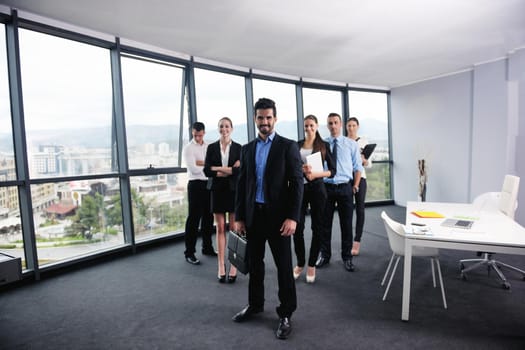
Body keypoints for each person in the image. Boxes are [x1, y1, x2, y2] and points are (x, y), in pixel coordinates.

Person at [232, 98, 303, 340]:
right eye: (260, 118)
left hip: (279, 219)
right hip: (254, 217)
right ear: (255, 119)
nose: (265, 122)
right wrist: (239, 216)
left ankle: (285, 313)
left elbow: (297, 185)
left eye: (269, 118)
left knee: (284, 267)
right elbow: (242, 186)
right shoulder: (247, 148)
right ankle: (255, 304)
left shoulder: (288, 146)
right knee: (255, 264)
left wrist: (293, 217)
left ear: (275, 118)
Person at [316, 113, 363, 272]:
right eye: (330, 123)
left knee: (346, 225)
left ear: (340, 124)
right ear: (327, 125)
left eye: (336, 122)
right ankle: (324, 255)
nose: (333, 126)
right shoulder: (321, 144)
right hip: (326, 188)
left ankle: (347, 257)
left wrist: (355, 186)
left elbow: (358, 168)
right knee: (325, 224)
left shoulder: (351, 144)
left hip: (345, 187)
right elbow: (317, 168)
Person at [293, 115, 336, 283]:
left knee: (318, 228)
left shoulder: (324, 145)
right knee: (298, 228)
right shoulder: (297, 145)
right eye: (306, 126)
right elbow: (292, 166)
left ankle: (311, 264)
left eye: (311, 125)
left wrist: (315, 174)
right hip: (300, 190)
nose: (308, 129)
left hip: (318, 190)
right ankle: (300, 262)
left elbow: (332, 170)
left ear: (317, 126)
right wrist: (301, 168)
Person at [204, 117, 241, 283]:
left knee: (233, 228)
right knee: (220, 228)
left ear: (231, 128)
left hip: (233, 191)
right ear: (218, 128)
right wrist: (228, 170)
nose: (224, 129)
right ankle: (221, 265)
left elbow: (238, 172)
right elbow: (207, 171)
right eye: (221, 126)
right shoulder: (211, 147)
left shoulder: (239, 148)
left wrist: (217, 168)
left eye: (226, 126)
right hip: (217, 191)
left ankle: (233, 265)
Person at [182, 122, 216, 265]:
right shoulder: (188, 148)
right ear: (192, 133)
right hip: (195, 185)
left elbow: (212, 163)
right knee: (194, 219)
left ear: (204, 133)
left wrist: (203, 163)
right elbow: (194, 169)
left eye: (200, 135)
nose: (197, 137)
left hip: (207, 184)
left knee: (208, 217)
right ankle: (189, 252)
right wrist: (207, 165)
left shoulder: (208, 146)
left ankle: (207, 248)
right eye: (195, 135)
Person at [346, 117, 372, 256]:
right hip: (347, 179)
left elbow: (369, 164)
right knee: (348, 211)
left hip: (361, 179)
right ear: (346, 127)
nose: (351, 128)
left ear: (358, 126)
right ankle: (348, 241)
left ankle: (357, 241)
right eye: (349, 125)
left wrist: (364, 161)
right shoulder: (344, 142)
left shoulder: (363, 142)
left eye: (353, 125)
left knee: (360, 209)